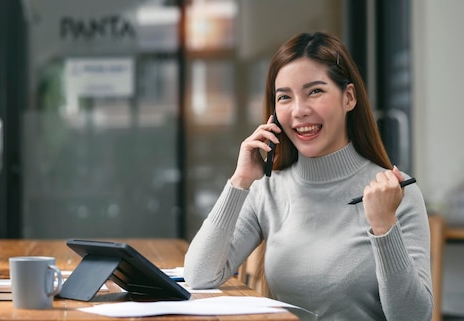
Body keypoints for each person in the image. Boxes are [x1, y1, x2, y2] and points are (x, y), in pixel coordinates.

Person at [183, 31, 433, 321]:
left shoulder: (395, 194)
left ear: (348, 97)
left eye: (315, 91)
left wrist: (384, 227)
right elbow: (199, 275)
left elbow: (413, 317)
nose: (299, 110)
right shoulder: (268, 190)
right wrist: (239, 181)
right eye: (285, 97)